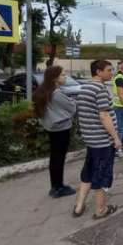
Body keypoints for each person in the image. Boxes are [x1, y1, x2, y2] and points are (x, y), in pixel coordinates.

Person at [73, 60, 120, 219]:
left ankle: (79, 206)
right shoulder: (100, 89)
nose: (111, 73)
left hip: (91, 139)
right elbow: (104, 115)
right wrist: (116, 138)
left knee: (88, 172)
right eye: (108, 70)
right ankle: (101, 210)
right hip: (102, 141)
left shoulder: (85, 87)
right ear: (98, 72)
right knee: (102, 174)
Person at [33, 65, 77, 198]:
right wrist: (73, 102)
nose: (65, 77)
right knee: (59, 158)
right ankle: (59, 187)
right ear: (55, 79)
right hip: (61, 128)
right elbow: (72, 107)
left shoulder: (44, 91)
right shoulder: (56, 93)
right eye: (63, 75)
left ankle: (55, 186)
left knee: (55, 158)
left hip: (51, 127)